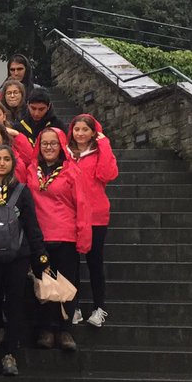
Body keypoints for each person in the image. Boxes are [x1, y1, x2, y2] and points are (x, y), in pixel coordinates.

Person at [0, 145, 49, 376]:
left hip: (18, 256)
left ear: (13, 164)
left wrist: (40, 255)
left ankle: (9, 353)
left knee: (15, 304)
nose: (2, 163)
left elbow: (32, 224)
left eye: (6, 159)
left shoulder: (22, 191)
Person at [26, 127, 91, 352]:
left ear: (61, 145)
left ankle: (64, 330)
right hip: (39, 236)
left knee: (65, 285)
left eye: (53, 143)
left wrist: (83, 238)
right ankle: (45, 328)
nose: (49, 147)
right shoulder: (31, 170)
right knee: (43, 285)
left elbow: (82, 205)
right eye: (44, 143)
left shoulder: (72, 171)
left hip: (65, 235)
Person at [67, 114, 118, 328]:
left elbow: (107, 174)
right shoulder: (66, 153)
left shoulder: (99, 152)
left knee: (95, 262)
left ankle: (99, 307)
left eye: (85, 130)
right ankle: (75, 306)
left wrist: (104, 144)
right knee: (72, 264)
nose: (80, 133)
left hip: (95, 214)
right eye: (76, 129)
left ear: (93, 132)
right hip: (71, 214)